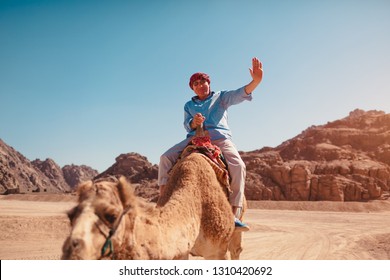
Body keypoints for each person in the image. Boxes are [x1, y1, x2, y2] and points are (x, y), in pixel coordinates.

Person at [158, 57, 263, 231]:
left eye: (203, 82)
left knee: (238, 166)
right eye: (196, 84)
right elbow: (187, 124)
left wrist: (256, 81)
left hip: (219, 138)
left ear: (208, 83)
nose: (200, 85)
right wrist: (194, 122)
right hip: (194, 138)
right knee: (165, 158)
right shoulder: (188, 105)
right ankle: (162, 200)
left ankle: (234, 213)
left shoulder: (221, 97)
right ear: (192, 87)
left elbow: (240, 93)